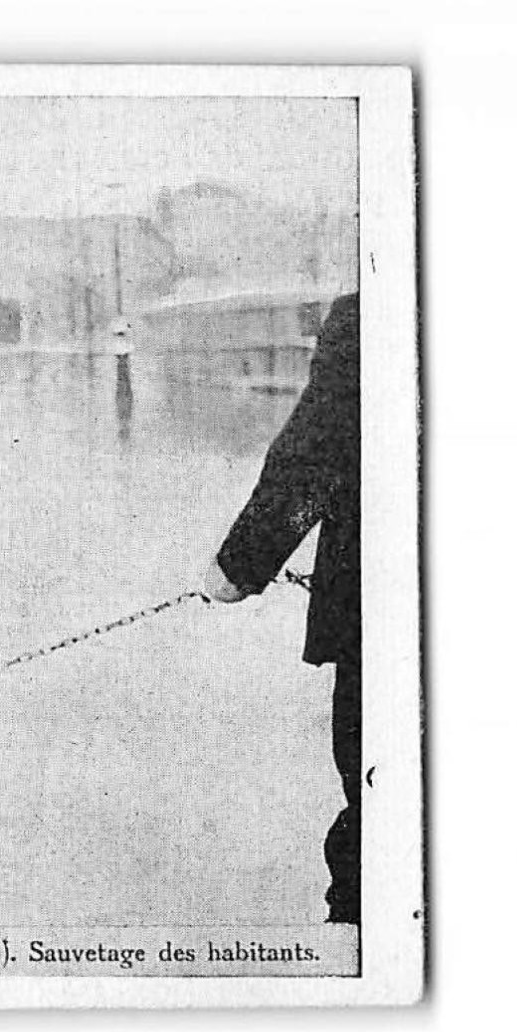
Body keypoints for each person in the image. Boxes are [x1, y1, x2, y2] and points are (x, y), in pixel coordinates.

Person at [203, 292, 361, 924]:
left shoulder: (368, 313)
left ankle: (362, 948)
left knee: (381, 784)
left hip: (381, 614)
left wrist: (239, 567)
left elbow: (314, 456)